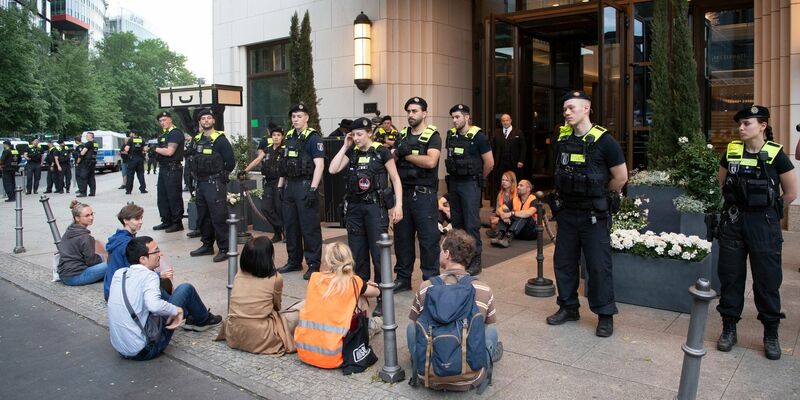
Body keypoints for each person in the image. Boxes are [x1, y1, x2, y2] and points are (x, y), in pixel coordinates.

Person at [715, 105, 797, 360]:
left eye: (747, 123)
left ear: (762, 126)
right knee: (730, 276)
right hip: (734, 221)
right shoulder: (731, 152)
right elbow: (722, 183)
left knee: (767, 280)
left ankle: (770, 334)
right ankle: (729, 328)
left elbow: (791, 192)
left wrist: (769, 211)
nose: (741, 128)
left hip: (764, 223)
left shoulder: (776, 154)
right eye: (739, 123)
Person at [546, 91, 627, 338]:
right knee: (564, 262)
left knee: (598, 266)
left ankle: (604, 315)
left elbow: (621, 177)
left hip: (594, 214)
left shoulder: (605, 141)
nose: (567, 113)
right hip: (567, 212)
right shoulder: (562, 140)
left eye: (571, 108)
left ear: (587, 109)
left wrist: (601, 195)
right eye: (564, 109)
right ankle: (568, 307)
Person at [407, 229, 503, 390]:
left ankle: (420, 361)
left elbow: (415, 322)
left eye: (440, 250)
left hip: (430, 377)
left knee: (411, 328)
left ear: (447, 254)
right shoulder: (483, 289)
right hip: (471, 377)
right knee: (491, 331)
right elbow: (486, 325)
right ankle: (488, 356)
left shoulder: (426, 287)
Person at [107, 236, 222, 361]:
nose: (160, 254)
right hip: (145, 349)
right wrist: (176, 310)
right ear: (143, 259)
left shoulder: (120, 273)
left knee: (159, 291)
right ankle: (202, 320)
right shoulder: (149, 276)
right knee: (185, 289)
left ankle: (189, 314)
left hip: (121, 348)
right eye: (156, 251)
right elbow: (154, 306)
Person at [329, 117, 403, 288]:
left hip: (375, 208)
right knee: (357, 254)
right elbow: (332, 169)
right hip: (354, 209)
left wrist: (398, 205)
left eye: (360, 134)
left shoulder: (381, 152)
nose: (356, 138)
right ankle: (362, 292)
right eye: (353, 135)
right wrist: (345, 146)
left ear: (369, 133)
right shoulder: (352, 152)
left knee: (378, 254)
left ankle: (381, 296)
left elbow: (395, 178)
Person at [294, 242, 381, 369]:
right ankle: (369, 328)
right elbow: (377, 292)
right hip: (333, 357)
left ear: (328, 261)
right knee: (361, 297)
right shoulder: (353, 281)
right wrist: (369, 285)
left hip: (304, 351)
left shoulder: (314, 278)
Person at [391, 97, 442, 295]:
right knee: (402, 239)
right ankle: (403, 279)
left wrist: (407, 155)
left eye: (415, 111)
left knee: (428, 240)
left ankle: (431, 280)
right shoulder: (402, 135)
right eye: (409, 111)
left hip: (424, 196)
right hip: (403, 194)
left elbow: (431, 161)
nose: (411, 115)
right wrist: (396, 153)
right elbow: (392, 159)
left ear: (424, 113)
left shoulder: (433, 135)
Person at [215, 236, 296, 355]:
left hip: (234, 333)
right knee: (299, 311)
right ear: (268, 257)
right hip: (261, 336)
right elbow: (277, 306)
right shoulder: (275, 278)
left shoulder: (239, 275)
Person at [445, 104, 494, 276]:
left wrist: (479, 177)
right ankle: (460, 259)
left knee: (471, 224)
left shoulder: (479, 137)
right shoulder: (451, 135)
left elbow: (489, 162)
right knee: (457, 223)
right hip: (454, 183)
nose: (454, 120)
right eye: (453, 117)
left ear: (467, 117)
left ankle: (476, 260)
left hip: (470, 184)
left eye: (457, 117)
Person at [277, 103, 324, 280]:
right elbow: (284, 164)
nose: (295, 119)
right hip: (290, 186)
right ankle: (293, 260)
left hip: (305, 185)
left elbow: (319, 165)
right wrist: (281, 185)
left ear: (306, 118)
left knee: (309, 226)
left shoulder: (313, 138)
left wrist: (313, 188)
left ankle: (313, 263)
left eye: (299, 116)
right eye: (293, 116)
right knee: (290, 225)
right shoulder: (289, 136)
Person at [187, 108, 235, 262]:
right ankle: (207, 245)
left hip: (215, 183)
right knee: (203, 216)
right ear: (200, 122)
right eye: (203, 118)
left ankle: (224, 248)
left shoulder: (220, 140)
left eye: (209, 118)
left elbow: (230, 163)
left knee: (219, 217)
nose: (206, 120)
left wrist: (219, 175)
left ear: (213, 121)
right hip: (200, 183)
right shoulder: (197, 139)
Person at [243, 124, 285, 243]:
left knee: (279, 208)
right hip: (269, 182)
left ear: (282, 137)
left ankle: (282, 233)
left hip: (280, 182)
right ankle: (280, 229)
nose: (276, 137)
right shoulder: (267, 149)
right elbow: (257, 160)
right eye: (274, 135)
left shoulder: (284, 150)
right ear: (271, 137)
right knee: (266, 208)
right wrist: (245, 170)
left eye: (278, 135)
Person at [57, 200, 108, 285]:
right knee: (113, 263)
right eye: (87, 215)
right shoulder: (85, 237)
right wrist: (103, 257)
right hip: (75, 276)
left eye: (92, 214)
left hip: (64, 274)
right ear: (77, 218)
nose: (91, 217)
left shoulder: (70, 230)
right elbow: (91, 261)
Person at [152, 111, 185, 233]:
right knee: (163, 196)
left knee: (173, 196)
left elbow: (170, 151)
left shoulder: (175, 133)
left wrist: (155, 149)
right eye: (160, 121)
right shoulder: (165, 134)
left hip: (173, 168)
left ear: (170, 120)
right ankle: (166, 220)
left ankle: (177, 222)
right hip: (165, 167)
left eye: (164, 120)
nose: (162, 123)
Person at [490, 114, 526, 205]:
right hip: (500, 163)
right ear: (501, 122)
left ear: (511, 120)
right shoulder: (496, 132)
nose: (505, 122)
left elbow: (523, 148)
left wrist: (521, 160)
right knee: (499, 184)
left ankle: (515, 204)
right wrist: (492, 161)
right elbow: (492, 148)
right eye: (503, 121)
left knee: (514, 183)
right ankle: (498, 205)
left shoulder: (518, 132)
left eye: (507, 120)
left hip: (514, 163)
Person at [490, 179, 537, 248]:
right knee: (505, 212)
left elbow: (529, 213)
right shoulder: (515, 199)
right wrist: (503, 215)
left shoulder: (534, 199)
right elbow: (499, 209)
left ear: (528, 189)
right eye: (518, 185)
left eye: (521, 185)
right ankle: (500, 235)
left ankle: (508, 238)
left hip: (530, 232)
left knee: (523, 215)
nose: (518, 187)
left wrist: (511, 214)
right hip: (518, 231)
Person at [487, 171, 517, 239]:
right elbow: (497, 211)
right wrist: (502, 217)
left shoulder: (517, 194)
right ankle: (501, 231)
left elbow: (516, 210)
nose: (504, 182)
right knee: (492, 220)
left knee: (496, 223)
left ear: (512, 182)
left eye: (506, 180)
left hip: (512, 217)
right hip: (502, 215)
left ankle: (500, 232)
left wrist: (505, 216)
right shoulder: (500, 194)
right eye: (503, 180)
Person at [122, 129, 147, 194]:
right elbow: (145, 149)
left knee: (130, 175)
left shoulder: (130, 140)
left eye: (130, 133)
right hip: (140, 159)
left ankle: (129, 190)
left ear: (133, 133)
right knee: (141, 174)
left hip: (132, 159)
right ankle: (143, 189)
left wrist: (126, 150)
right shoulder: (142, 140)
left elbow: (126, 149)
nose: (130, 135)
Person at [75, 131, 98, 197]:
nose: (86, 137)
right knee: (91, 177)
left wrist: (78, 159)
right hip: (93, 161)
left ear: (91, 136)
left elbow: (82, 153)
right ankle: (92, 192)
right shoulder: (95, 143)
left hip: (87, 162)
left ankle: (83, 192)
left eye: (87, 136)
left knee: (83, 177)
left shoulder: (88, 143)